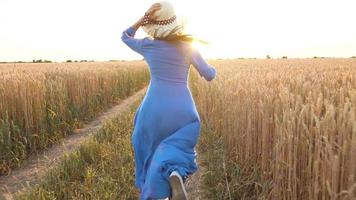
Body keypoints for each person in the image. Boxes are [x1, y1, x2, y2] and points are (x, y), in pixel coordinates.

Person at [121, 1, 217, 199]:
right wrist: (212, 69)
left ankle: (158, 193)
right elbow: (209, 75)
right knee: (177, 148)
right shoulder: (188, 46)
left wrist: (142, 19)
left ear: (154, 25)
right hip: (183, 110)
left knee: (150, 151)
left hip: (153, 109)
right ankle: (175, 173)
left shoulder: (148, 45)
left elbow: (125, 36)